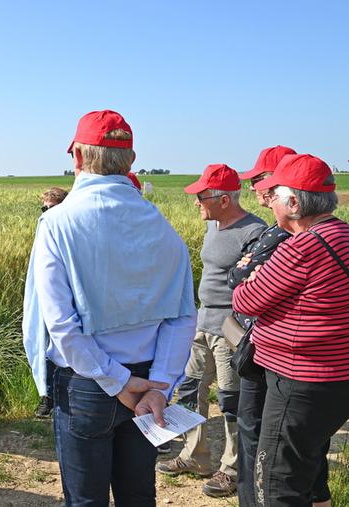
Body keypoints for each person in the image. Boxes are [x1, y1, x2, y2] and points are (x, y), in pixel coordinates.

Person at [23, 109, 197, 506]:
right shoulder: (162, 227)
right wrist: (160, 384)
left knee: (86, 500)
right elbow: (182, 315)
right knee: (138, 496)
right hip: (148, 385)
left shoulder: (57, 224)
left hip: (86, 386)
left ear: (79, 159)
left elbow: (61, 326)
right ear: (131, 161)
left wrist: (116, 381)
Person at [233, 153, 349, 507]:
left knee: (278, 484)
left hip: (298, 381)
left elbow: (245, 300)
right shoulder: (342, 235)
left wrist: (255, 280)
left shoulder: (302, 247)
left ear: (294, 202)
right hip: (336, 377)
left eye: (275, 194)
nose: (270, 201)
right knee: (306, 462)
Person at [158, 163, 266, 498]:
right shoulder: (214, 225)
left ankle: (231, 469)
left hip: (230, 330)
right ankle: (196, 456)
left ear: (223, 199)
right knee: (190, 391)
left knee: (231, 401)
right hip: (201, 324)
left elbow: (256, 285)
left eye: (201, 196)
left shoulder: (254, 231)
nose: (195, 202)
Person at [34, 186, 69, 419]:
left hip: (64, 298)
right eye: (43, 208)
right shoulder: (42, 229)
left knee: (63, 346)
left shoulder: (69, 231)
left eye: (52, 208)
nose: (46, 212)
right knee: (45, 346)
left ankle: (64, 397)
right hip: (45, 298)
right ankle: (47, 397)